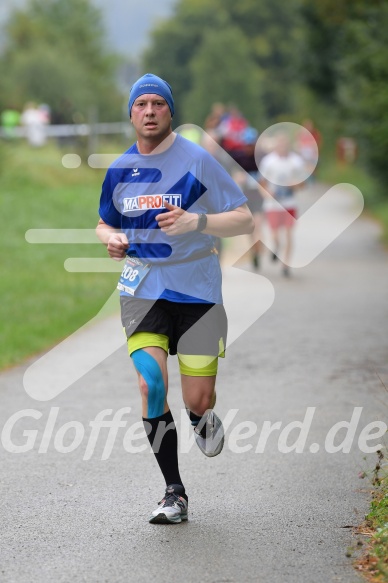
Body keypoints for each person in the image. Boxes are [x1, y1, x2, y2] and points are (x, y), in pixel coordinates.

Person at [96, 73, 254, 524]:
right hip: (141, 288)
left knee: (199, 399)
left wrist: (197, 224)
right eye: (141, 104)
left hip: (198, 290)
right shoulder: (119, 169)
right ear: (131, 113)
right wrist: (112, 239)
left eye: (157, 104)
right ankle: (174, 492)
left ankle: (202, 417)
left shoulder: (198, 161)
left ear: (170, 111)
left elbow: (243, 219)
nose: (149, 111)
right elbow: (104, 221)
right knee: (150, 384)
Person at [259, 133, 305, 277]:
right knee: (275, 235)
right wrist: (267, 194)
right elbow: (261, 183)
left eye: (285, 144)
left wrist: (295, 185)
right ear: (276, 146)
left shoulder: (296, 161)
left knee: (289, 233)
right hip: (272, 204)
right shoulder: (268, 161)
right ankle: (276, 246)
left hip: (289, 203)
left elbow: (303, 184)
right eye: (280, 144)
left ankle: (286, 265)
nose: (282, 147)